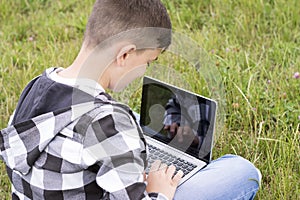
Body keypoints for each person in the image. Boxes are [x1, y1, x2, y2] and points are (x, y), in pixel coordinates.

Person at [0, 0, 261, 199]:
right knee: (242, 172)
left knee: (137, 122)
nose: (145, 70)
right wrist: (158, 191)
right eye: (148, 62)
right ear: (125, 54)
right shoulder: (109, 122)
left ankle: (158, 151)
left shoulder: (39, 84)